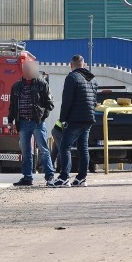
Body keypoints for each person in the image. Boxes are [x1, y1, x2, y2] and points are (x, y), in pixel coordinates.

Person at [51, 55, 98, 187]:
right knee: (83, 148)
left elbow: (67, 101)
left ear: (71, 65)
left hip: (75, 119)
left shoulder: (71, 77)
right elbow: (94, 100)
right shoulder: (93, 79)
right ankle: (81, 178)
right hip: (89, 118)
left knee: (65, 146)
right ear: (84, 64)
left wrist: (63, 119)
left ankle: (64, 177)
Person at [8, 61, 55, 186]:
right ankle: (27, 177)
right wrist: (10, 121)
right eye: (26, 69)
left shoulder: (42, 84)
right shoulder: (16, 86)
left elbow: (50, 104)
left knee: (44, 150)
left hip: (37, 123)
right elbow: (12, 105)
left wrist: (42, 117)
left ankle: (50, 176)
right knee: (26, 152)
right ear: (23, 70)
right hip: (22, 123)